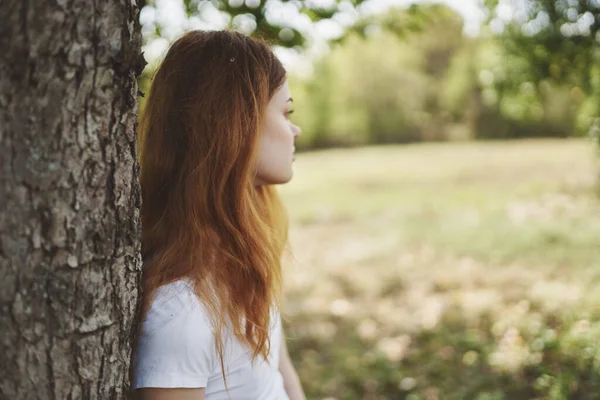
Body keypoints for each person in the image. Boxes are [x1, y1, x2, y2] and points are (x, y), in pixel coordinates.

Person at [130, 30, 305, 400]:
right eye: (286, 112)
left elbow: (279, 369)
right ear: (238, 125)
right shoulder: (181, 312)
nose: (296, 129)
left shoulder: (247, 251)